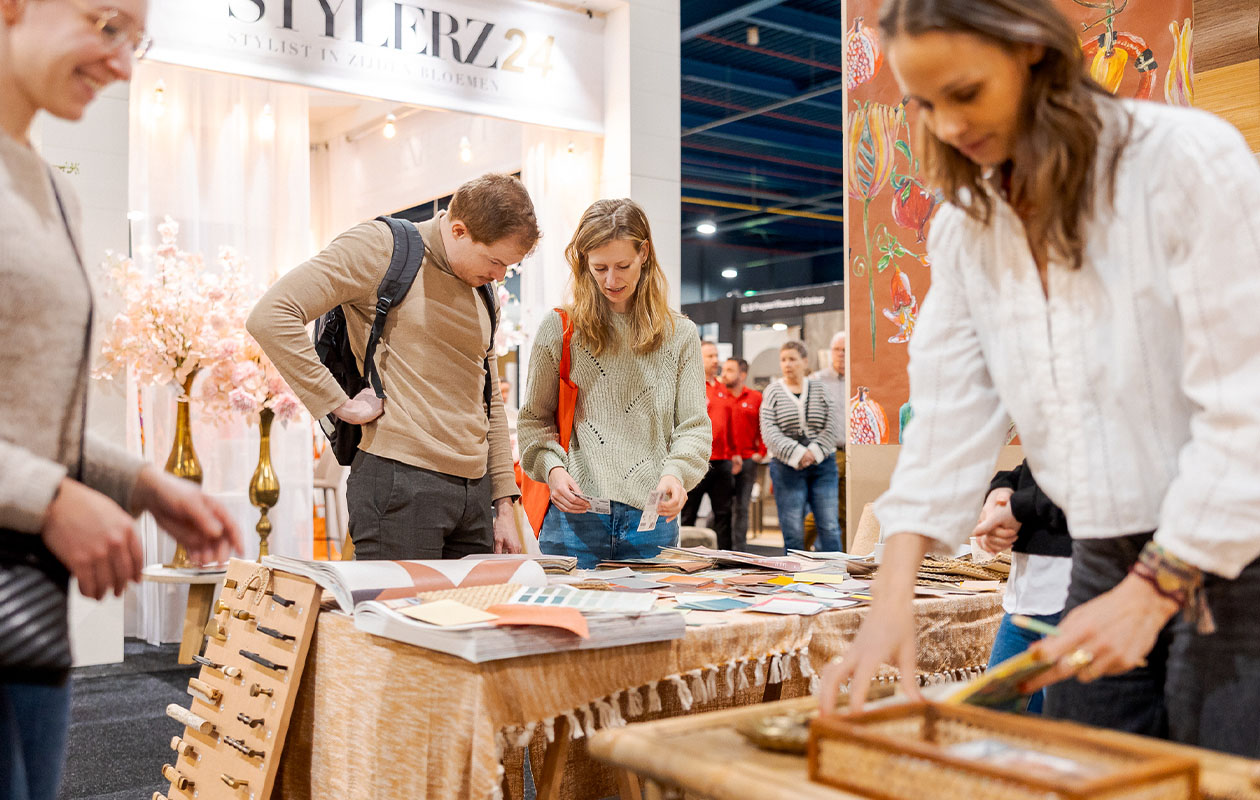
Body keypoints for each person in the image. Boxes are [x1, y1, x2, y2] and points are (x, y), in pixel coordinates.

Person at [822, 0, 1260, 758]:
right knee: (1091, 770)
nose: (949, 126)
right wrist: (891, 596)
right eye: (925, 105)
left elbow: (1246, 407)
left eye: (965, 93)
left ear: (1032, 52)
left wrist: (1156, 590)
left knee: (1220, 774)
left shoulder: (1183, 162)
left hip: (1237, 553)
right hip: (1103, 549)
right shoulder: (967, 227)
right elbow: (947, 419)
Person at [0, 2, 243, 798]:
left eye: (137, 40)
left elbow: (29, 416)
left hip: (23, 605)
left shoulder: (51, 189)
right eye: (105, 25)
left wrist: (142, 483)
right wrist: (51, 497)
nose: (124, 64)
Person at [249, 174, 539, 560]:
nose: (500, 276)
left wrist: (503, 502)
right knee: (398, 603)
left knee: (477, 604)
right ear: (459, 230)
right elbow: (272, 314)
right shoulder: (381, 247)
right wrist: (338, 404)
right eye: (495, 261)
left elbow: (488, 399)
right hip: (400, 485)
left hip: (475, 496)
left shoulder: (483, 289)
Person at [518, 199, 710, 569]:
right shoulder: (560, 329)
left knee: (651, 609)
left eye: (623, 266)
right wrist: (553, 471)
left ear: (644, 254)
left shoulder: (680, 334)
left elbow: (694, 426)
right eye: (599, 268)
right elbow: (534, 421)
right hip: (575, 518)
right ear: (583, 262)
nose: (611, 280)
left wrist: (676, 474)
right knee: (570, 609)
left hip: (652, 520)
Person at [974, 460, 1071, 714]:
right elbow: (1033, 471)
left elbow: (1083, 487)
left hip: (1067, 595)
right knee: (988, 715)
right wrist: (1000, 491)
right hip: (1024, 599)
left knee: (1061, 724)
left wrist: (1017, 508)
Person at [760, 341, 842, 553]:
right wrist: (797, 454)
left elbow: (832, 425)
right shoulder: (773, 391)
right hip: (786, 468)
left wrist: (813, 453)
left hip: (823, 465)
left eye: (792, 359)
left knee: (829, 526)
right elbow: (769, 430)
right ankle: (796, 571)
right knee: (793, 529)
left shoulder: (820, 388)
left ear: (805, 362)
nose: (787, 364)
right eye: (783, 360)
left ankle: (834, 570)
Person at [680, 341, 739, 549]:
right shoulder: (691, 385)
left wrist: (734, 453)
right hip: (697, 460)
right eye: (710, 356)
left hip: (722, 462)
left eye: (716, 356)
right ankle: (685, 557)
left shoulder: (722, 388)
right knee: (688, 513)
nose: (715, 360)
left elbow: (729, 423)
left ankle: (725, 559)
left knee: (724, 514)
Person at [721, 358, 766, 551]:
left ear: (743, 374)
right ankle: (720, 549)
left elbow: (764, 426)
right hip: (723, 460)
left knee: (741, 507)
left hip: (748, 460)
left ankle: (739, 552)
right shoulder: (719, 396)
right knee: (721, 508)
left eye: (729, 370)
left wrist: (761, 452)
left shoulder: (755, 397)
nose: (724, 374)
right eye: (723, 370)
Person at [814, 331, 847, 531]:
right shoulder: (817, 380)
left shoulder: (858, 379)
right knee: (820, 513)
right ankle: (798, 547)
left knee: (845, 513)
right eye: (837, 349)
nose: (841, 354)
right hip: (828, 454)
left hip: (852, 453)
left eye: (845, 349)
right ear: (830, 352)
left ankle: (843, 550)